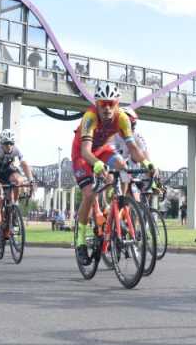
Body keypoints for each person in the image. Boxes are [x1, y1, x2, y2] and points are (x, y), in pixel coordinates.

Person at [72, 82, 153, 265]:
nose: (107, 108)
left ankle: (113, 208)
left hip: (102, 149)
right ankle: (80, 242)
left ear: (117, 104)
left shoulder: (123, 118)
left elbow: (133, 147)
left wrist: (146, 163)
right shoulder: (90, 117)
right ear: (97, 104)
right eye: (103, 104)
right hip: (83, 154)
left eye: (111, 104)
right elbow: (85, 151)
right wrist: (97, 164)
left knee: (122, 165)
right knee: (90, 193)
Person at [0, 129, 34, 254]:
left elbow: (24, 164)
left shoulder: (17, 149)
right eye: (6, 143)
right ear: (1, 143)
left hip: (7, 171)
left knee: (18, 180)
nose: (8, 146)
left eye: (11, 143)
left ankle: (14, 206)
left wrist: (31, 180)